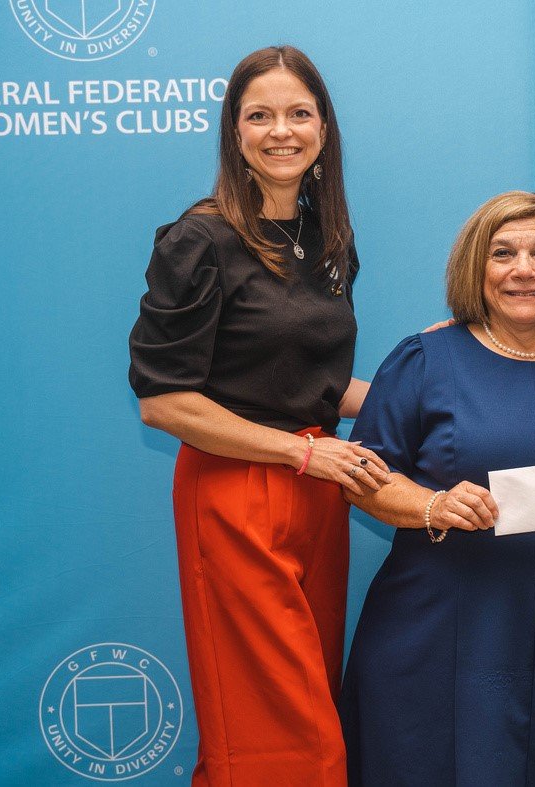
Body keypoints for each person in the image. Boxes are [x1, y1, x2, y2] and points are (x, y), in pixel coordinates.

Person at [128, 46, 389, 787]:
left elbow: (316, 381)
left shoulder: (327, 239)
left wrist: (443, 392)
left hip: (317, 491)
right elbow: (163, 400)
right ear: (234, 132)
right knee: (288, 742)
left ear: (324, 129)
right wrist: (300, 454)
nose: (282, 130)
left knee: (288, 723)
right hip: (237, 494)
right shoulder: (199, 240)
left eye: (299, 113)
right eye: (260, 115)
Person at [339, 192, 535, 786]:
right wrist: (434, 503)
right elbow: (363, 478)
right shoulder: (425, 359)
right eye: (503, 253)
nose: (523, 269)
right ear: (476, 269)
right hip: (444, 630)